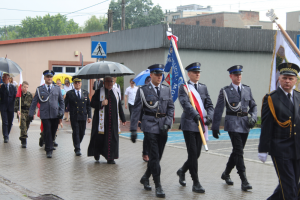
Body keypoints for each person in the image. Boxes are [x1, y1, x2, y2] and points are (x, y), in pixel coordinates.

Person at [130, 64, 174, 198]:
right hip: (149, 125)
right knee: (154, 155)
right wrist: (133, 129)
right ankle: (158, 185)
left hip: (163, 127)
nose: (159, 77)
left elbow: (171, 108)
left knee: (158, 157)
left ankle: (145, 177)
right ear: (151, 75)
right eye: (157, 75)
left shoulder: (166, 89)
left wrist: (167, 123)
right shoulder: (143, 90)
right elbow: (137, 110)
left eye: (161, 75)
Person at [211, 65, 257, 191]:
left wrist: (253, 116)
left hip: (245, 124)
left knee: (237, 151)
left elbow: (253, 106)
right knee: (239, 151)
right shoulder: (225, 91)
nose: (238, 77)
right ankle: (244, 180)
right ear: (231, 76)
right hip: (232, 124)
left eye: (240, 74)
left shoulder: (247, 89)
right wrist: (215, 127)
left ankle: (226, 173)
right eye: (236, 75)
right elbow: (219, 109)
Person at [259, 63, 300, 199]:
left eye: (290, 78)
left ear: (296, 80)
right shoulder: (271, 98)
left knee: (292, 184)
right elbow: (266, 126)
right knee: (289, 188)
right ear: (279, 79)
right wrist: (263, 149)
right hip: (281, 149)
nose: (287, 81)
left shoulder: (299, 97)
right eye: (284, 78)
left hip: (297, 149)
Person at [176, 62, 214, 193]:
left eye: (199, 72)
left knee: (196, 154)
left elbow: (209, 104)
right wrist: (195, 114)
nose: (198, 74)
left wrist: (209, 116)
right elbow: (184, 103)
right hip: (189, 124)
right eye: (195, 72)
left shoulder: (203, 88)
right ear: (189, 74)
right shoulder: (184, 88)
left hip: (201, 125)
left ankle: (182, 170)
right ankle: (196, 183)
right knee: (192, 153)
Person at [87, 76, 126, 164]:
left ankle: (110, 157)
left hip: (113, 121)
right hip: (101, 121)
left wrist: (123, 118)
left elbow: (119, 106)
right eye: (107, 82)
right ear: (104, 83)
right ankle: (96, 153)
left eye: (111, 81)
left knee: (112, 138)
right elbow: (92, 103)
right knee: (99, 138)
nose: (110, 83)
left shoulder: (116, 93)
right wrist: (101, 103)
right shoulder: (98, 92)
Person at [29, 70, 64, 158]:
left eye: (50, 77)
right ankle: (49, 149)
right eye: (47, 77)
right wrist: (31, 113)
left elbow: (61, 101)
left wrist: (61, 112)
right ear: (44, 78)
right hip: (45, 114)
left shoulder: (57, 88)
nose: (49, 78)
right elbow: (34, 102)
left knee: (53, 132)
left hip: (55, 114)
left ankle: (47, 141)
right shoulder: (40, 89)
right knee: (47, 131)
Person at [65, 77, 92, 156]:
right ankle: (77, 148)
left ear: (81, 83)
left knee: (82, 132)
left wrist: (89, 116)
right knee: (76, 132)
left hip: (83, 115)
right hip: (74, 116)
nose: (77, 84)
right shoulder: (70, 93)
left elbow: (88, 106)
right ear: (73, 83)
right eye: (76, 82)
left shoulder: (85, 93)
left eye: (79, 82)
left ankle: (77, 143)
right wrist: (61, 113)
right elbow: (65, 104)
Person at [14, 81, 34, 148]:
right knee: (23, 124)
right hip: (21, 111)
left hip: (28, 112)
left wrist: (33, 113)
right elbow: (15, 105)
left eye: (27, 87)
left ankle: (22, 137)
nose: (25, 88)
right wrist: (17, 110)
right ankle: (24, 141)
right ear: (22, 87)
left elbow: (32, 105)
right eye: (24, 87)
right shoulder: (19, 95)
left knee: (26, 126)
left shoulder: (30, 95)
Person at [0, 73, 17, 143]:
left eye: (4, 77)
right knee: (5, 122)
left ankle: (7, 133)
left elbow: (16, 97)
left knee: (10, 122)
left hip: (11, 107)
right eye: (3, 77)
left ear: (8, 78)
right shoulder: (1, 87)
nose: (3, 79)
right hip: (3, 107)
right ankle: (5, 136)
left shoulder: (13, 87)